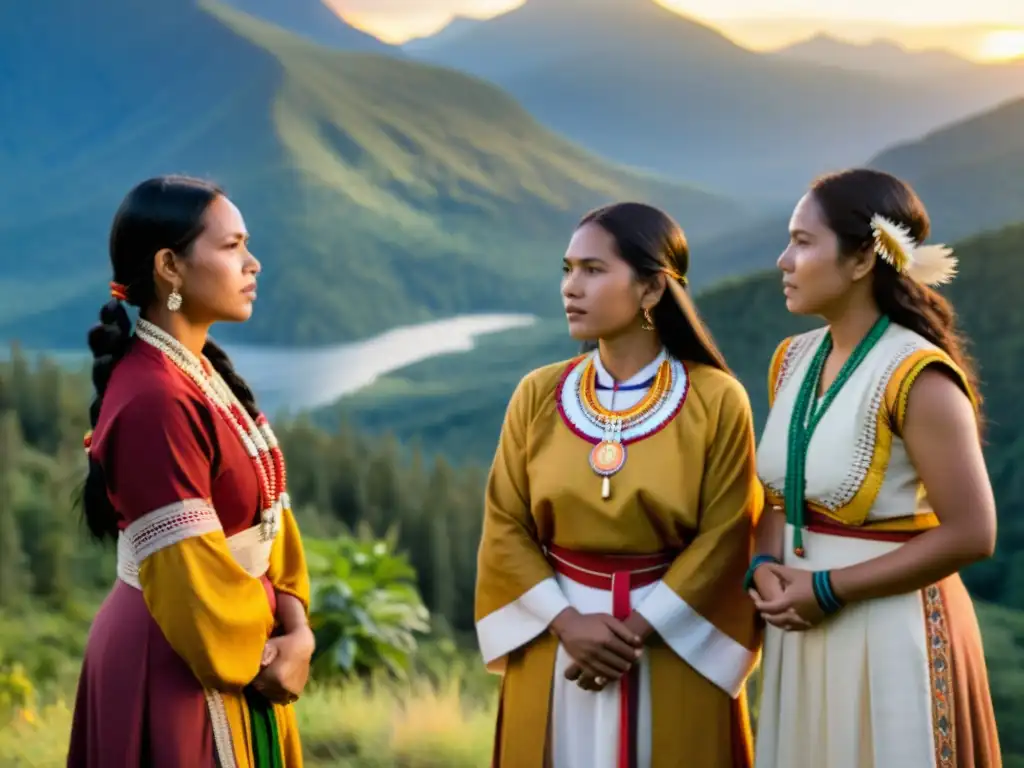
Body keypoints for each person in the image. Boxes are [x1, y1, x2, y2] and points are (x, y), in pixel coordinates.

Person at [475, 202, 763, 768]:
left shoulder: (716, 399)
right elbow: (505, 524)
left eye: (593, 269)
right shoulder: (538, 393)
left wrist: (631, 633)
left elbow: (727, 535)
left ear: (653, 289)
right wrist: (568, 624)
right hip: (555, 640)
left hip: (673, 640)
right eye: (567, 269)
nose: (570, 287)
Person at [749, 168, 1001, 768]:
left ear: (863, 259)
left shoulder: (920, 376)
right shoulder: (793, 360)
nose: (784, 259)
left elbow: (973, 532)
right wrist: (763, 565)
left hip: (892, 630)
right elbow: (780, 500)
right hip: (801, 626)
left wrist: (831, 589)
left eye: (803, 242)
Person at [67, 176, 312, 767]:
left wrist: (296, 625)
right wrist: (271, 646)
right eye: (231, 248)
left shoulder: (198, 372)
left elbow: (269, 517)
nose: (253, 264)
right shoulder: (153, 398)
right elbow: (186, 577)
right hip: (180, 655)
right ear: (170, 267)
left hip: (234, 639)